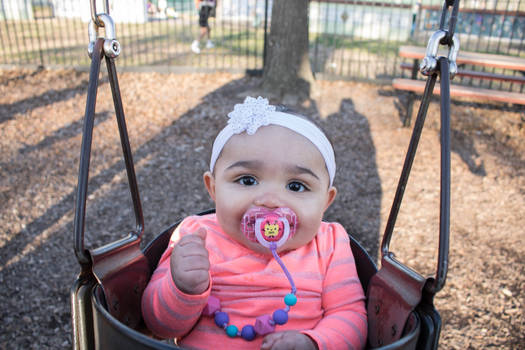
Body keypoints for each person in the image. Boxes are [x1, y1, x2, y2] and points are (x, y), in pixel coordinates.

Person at [141, 96, 367, 349]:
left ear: (326, 201)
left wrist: (314, 343)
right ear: (213, 188)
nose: (270, 201)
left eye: (296, 186)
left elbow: (351, 317)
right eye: (247, 180)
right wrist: (181, 288)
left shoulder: (330, 243)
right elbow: (158, 327)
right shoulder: (195, 236)